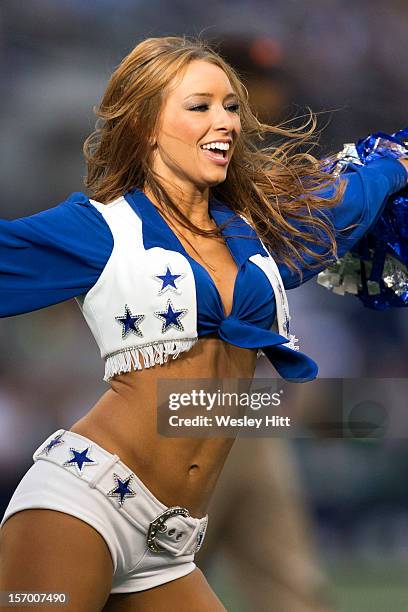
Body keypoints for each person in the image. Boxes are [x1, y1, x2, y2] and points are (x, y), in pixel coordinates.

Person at [0, 35, 407, 612]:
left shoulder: (256, 231)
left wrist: (396, 163)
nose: (226, 122)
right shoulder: (98, 229)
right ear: (144, 125)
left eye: (231, 106)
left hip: (166, 546)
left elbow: (346, 202)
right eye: (199, 106)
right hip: (81, 504)